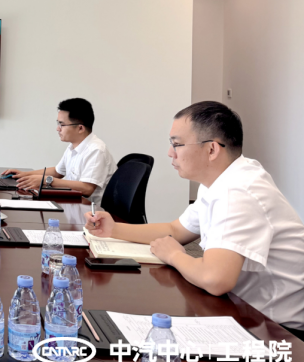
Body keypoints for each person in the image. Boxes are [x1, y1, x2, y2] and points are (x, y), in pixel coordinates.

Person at [86, 101, 304, 336]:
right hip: (243, 309)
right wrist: (113, 229)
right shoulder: (219, 181)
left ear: (211, 149)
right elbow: (176, 230)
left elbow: (215, 279)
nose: (170, 153)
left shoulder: (238, 191)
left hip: (279, 330)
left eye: (177, 144)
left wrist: (175, 255)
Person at [2, 98, 115, 205]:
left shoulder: (96, 150)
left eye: (62, 124)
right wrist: (24, 174)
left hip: (91, 210)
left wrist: (47, 181)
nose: (58, 128)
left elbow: (87, 189)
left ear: (80, 128)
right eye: (58, 123)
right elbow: (57, 171)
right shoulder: (73, 146)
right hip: (74, 203)